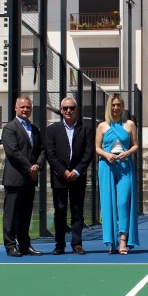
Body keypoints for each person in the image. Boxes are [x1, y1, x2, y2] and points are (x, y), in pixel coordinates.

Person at [44, 96, 94, 255]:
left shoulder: (86, 129)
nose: (68, 111)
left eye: (71, 108)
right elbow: (50, 154)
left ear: (76, 110)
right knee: (60, 211)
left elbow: (88, 154)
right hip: (59, 177)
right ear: (60, 110)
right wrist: (63, 171)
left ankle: (77, 243)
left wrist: (77, 171)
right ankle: (59, 245)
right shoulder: (52, 130)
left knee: (77, 211)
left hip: (78, 177)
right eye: (65, 108)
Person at [1, 95, 45, 257]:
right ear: (16, 108)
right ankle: (11, 245)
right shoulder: (9, 128)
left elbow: (42, 150)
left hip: (29, 179)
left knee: (26, 215)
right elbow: (13, 152)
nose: (25, 109)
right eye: (22, 107)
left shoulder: (34, 129)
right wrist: (29, 167)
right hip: (15, 179)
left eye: (28, 107)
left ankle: (25, 245)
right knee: (11, 214)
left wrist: (38, 165)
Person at [96, 93, 139, 254]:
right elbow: (97, 147)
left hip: (125, 166)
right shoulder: (102, 126)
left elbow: (135, 145)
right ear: (109, 106)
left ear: (122, 107)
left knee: (123, 202)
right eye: (113, 105)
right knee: (108, 203)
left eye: (118, 105)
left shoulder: (129, 124)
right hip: (106, 166)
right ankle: (111, 241)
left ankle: (123, 240)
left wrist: (126, 154)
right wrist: (107, 155)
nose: (116, 108)